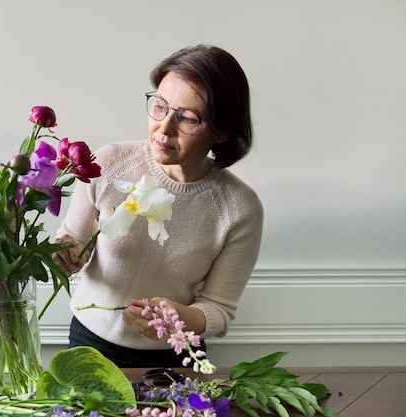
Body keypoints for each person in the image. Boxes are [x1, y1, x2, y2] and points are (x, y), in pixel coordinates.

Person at [52, 44, 263, 368]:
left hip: (177, 357)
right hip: (89, 343)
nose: (164, 128)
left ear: (221, 130)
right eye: (160, 107)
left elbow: (219, 310)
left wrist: (185, 319)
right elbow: (71, 240)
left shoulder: (239, 208)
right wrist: (65, 254)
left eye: (188, 118)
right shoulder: (108, 164)